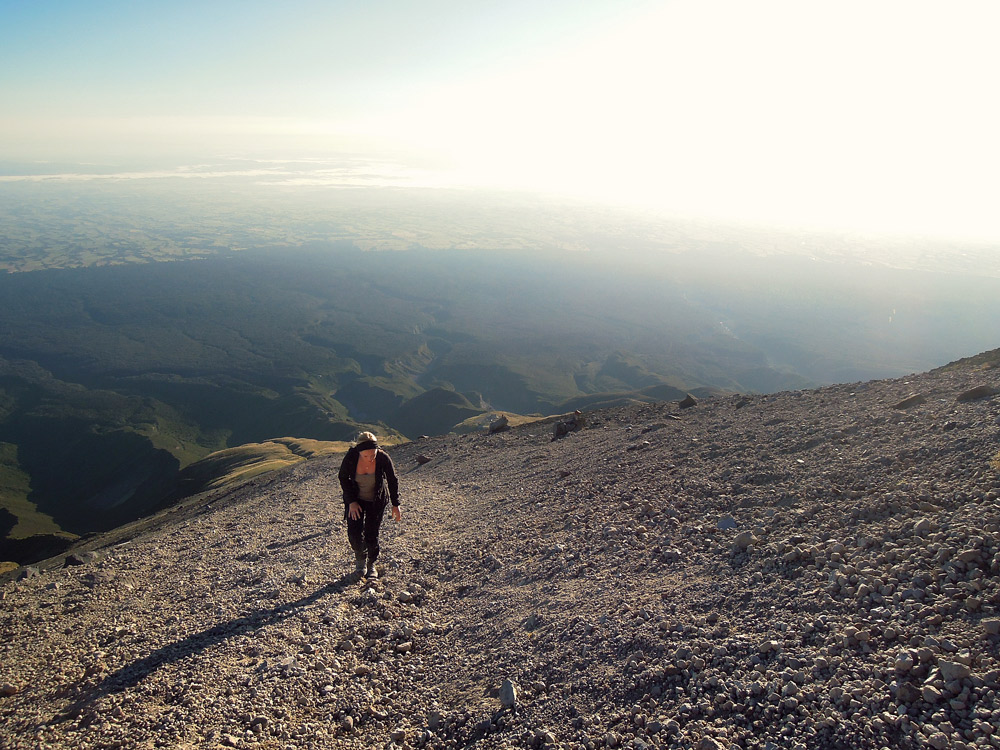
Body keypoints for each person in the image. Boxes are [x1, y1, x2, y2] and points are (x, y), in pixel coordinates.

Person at [338, 431, 400, 579]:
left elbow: (392, 480)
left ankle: (371, 564)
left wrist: (395, 504)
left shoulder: (382, 457)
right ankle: (360, 560)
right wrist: (351, 501)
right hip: (356, 500)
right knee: (354, 535)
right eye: (366, 456)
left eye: (373, 454)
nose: (371, 458)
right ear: (359, 451)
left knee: (371, 535)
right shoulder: (352, 457)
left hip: (376, 501)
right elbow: (343, 477)